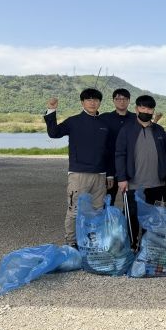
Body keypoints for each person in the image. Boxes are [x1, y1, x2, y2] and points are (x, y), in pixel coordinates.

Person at [44, 88, 112, 249]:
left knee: (97, 210)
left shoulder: (104, 124)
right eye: (89, 99)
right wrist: (52, 110)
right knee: (74, 210)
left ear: (100, 102)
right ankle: (71, 241)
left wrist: (109, 174)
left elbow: (108, 151)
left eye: (96, 100)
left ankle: (92, 241)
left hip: (100, 174)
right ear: (82, 102)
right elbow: (54, 133)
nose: (92, 103)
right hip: (78, 173)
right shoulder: (73, 121)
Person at [115, 95, 166, 250]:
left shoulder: (158, 130)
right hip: (133, 183)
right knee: (132, 217)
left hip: (157, 183)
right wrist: (121, 178)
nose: (146, 111)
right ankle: (132, 246)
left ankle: (148, 247)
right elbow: (120, 154)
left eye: (149, 109)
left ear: (153, 111)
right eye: (143, 108)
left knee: (153, 217)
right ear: (136, 109)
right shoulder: (127, 130)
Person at [100, 88, 136, 205]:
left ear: (129, 101)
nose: (122, 101)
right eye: (118, 99)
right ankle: (108, 219)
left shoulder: (136, 118)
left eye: (125, 99)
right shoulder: (105, 118)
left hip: (131, 167)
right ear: (113, 100)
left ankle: (128, 217)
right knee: (107, 202)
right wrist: (108, 172)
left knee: (131, 203)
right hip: (110, 167)